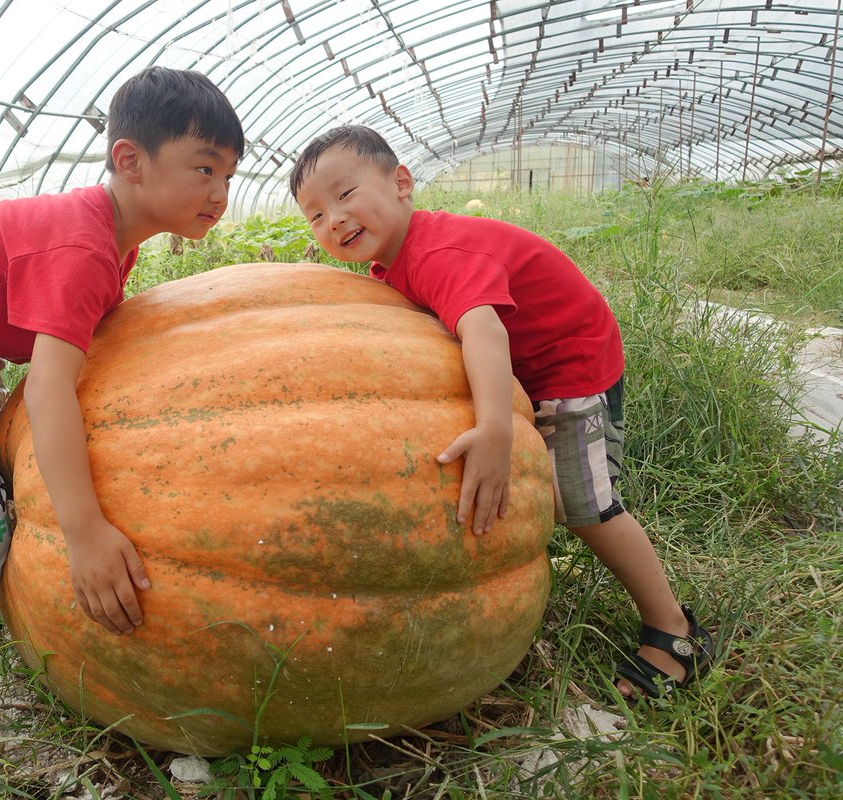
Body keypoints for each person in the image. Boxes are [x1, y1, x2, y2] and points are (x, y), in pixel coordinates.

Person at [0, 66, 244, 766]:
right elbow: (52, 386)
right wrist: (85, 532)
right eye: (204, 167)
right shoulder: (84, 246)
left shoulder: (113, 240)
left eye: (230, 176)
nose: (220, 193)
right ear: (130, 161)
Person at [288, 125, 713, 701]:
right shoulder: (394, 259)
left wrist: (495, 431)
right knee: (561, 499)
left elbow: (482, 329)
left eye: (344, 195)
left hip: (572, 368)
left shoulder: (440, 251)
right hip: (534, 371)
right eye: (314, 215)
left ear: (402, 184)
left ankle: (674, 630)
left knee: (586, 508)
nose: (332, 220)